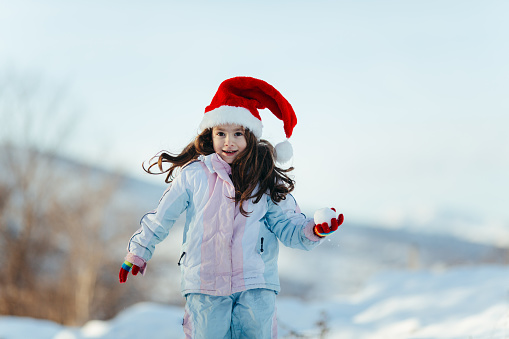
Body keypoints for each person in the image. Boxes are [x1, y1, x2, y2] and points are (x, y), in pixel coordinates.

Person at [119, 76, 344, 339]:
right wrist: (139, 250)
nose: (229, 142)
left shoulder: (263, 178)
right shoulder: (194, 175)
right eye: (221, 133)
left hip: (256, 286)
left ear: (250, 135)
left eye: (238, 133)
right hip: (205, 284)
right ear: (210, 134)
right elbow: (162, 217)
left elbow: (287, 226)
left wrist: (314, 230)